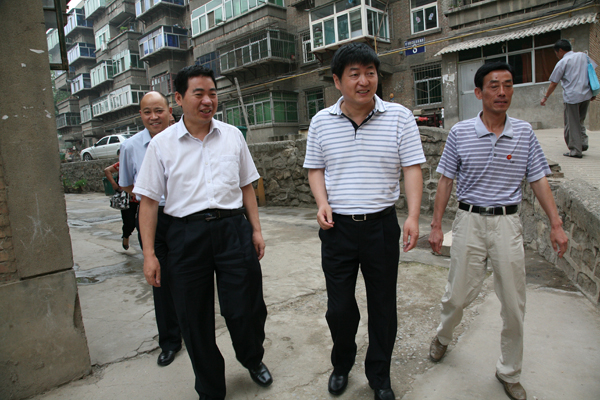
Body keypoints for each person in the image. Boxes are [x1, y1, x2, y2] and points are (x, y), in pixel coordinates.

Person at [429, 62, 569, 400]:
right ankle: (443, 336)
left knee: (513, 303)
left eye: (508, 85)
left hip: (507, 224)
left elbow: (538, 179)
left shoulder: (524, 133)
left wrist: (556, 224)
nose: (502, 92)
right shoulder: (460, 133)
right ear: (479, 92)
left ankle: (509, 370)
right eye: (494, 85)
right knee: (457, 295)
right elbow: (445, 181)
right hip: (469, 221)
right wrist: (435, 226)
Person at [133, 65, 272, 400]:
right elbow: (148, 203)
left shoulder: (232, 136)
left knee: (246, 307)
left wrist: (256, 230)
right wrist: (149, 254)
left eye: (212, 93)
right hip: (185, 235)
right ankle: (210, 386)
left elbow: (247, 186)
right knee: (193, 318)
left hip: (233, 229)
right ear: (179, 99)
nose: (208, 100)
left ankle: (252, 357)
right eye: (199, 94)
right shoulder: (161, 145)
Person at [304, 43, 425, 400]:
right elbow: (315, 169)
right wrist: (322, 203)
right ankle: (342, 364)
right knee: (339, 308)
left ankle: (380, 376)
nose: (364, 81)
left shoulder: (399, 117)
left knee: (383, 306)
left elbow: (412, 168)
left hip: (381, 227)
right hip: (337, 228)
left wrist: (413, 216)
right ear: (337, 81)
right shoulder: (321, 122)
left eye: (370, 73)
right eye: (354, 74)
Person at [118, 91, 182, 367]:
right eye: (147, 112)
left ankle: (195, 333)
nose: (154, 117)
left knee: (190, 278)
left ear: (170, 111)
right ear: (140, 115)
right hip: (153, 218)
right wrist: (149, 198)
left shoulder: (184, 139)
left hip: (183, 216)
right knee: (160, 280)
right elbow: (126, 184)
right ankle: (170, 341)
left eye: (159, 110)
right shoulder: (131, 147)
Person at [540, 39, 597, 158]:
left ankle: (576, 150)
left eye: (556, 53)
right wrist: (593, 92)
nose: (557, 55)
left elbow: (554, 82)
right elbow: (591, 72)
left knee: (572, 124)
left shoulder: (563, 62)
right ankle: (582, 144)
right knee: (580, 121)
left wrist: (545, 97)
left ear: (560, 50)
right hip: (586, 95)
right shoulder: (583, 56)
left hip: (572, 97)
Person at [104, 162, 138, 250]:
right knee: (129, 223)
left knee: (142, 223)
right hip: (127, 200)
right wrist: (114, 184)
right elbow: (107, 170)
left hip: (142, 199)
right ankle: (126, 236)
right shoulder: (123, 164)